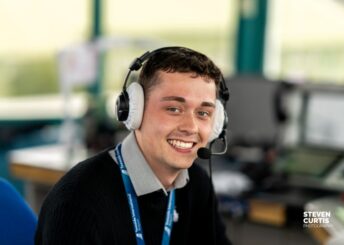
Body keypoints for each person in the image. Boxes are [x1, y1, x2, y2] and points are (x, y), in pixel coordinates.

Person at [35, 47, 232, 245]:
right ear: (134, 112)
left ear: (217, 124)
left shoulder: (196, 184)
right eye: (173, 109)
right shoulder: (77, 202)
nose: (191, 127)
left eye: (203, 113)